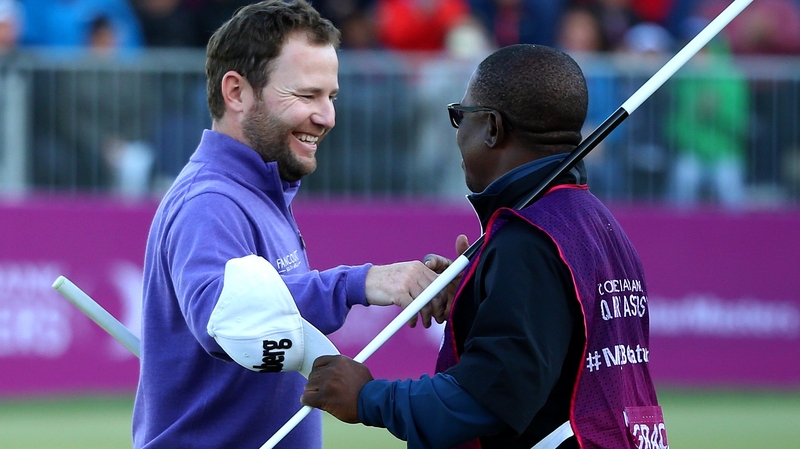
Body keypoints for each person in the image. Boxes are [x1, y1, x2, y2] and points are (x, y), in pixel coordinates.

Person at [301, 44, 668, 448]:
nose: (458, 133)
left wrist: (368, 397)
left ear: (492, 127)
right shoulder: (595, 222)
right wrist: (481, 294)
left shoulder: (529, 240)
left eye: (461, 117)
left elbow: (489, 398)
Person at [132, 1, 447, 448]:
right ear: (236, 92)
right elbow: (226, 318)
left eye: (331, 97)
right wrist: (360, 283)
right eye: (306, 95)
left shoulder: (259, 189)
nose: (327, 117)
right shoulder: (209, 202)